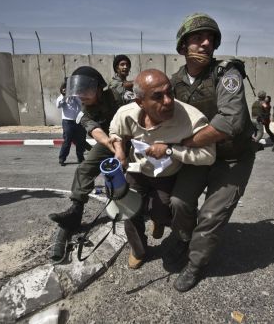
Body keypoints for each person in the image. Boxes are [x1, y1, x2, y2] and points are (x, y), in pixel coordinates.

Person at [168, 13, 257, 292]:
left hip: (232, 158)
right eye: (197, 38)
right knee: (179, 203)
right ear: (183, 47)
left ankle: (196, 264)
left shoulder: (226, 74)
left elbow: (231, 121)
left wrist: (187, 142)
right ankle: (184, 240)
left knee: (210, 216)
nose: (206, 43)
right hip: (200, 156)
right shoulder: (174, 82)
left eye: (211, 39)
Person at [109, 69, 216, 269]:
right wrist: (119, 150)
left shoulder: (191, 119)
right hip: (137, 170)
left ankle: (159, 220)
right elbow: (115, 130)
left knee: (162, 211)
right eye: (157, 97)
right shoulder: (127, 114)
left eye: (170, 93)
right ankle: (139, 249)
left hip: (167, 175)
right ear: (140, 102)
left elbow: (209, 155)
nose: (168, 101)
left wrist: (170, 151)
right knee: (128, 208)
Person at [48, 66, 125, 231]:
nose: (82, 95)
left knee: (136, 172)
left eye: (86, 90)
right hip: (108, 141)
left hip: (130, 137)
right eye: (79, 91)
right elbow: (95, 131)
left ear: (98, 88)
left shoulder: (115, 96)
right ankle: (76, 212)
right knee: (84, 169)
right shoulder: (82, 110)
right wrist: (113, 146)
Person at [56, 79, 90, 166]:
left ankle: (80, 158)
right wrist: (64, 96)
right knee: (67, 141)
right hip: (67, 122)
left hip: (78, 120)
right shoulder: (61, 96)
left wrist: (75, 96)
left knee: (81, 140)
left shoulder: (77, 95)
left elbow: (82, 104)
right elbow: (58, 106)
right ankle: (62, 159)